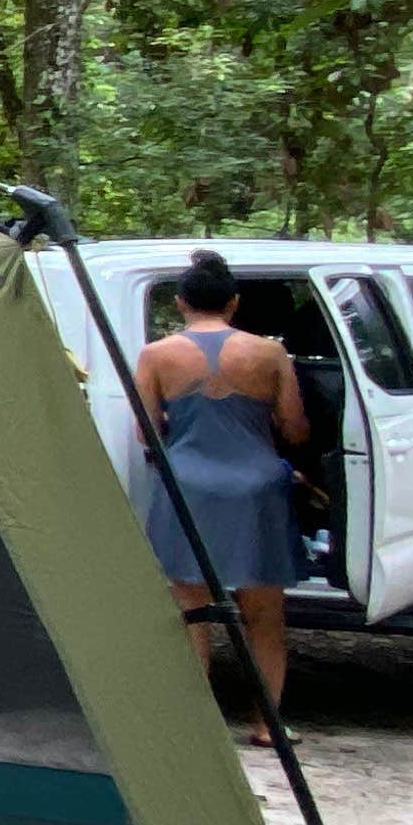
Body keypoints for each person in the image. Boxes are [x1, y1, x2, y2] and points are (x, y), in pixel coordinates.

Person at [134, 248, 308, 741]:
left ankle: (192, 724)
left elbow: (147, 432)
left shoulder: (156, 355)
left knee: (191, 610)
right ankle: (267, 724)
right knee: (264, 616)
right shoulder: (270, 354)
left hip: (188, 487)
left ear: (181, 302)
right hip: (256, 492)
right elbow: (295, 427)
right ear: (234, 303)